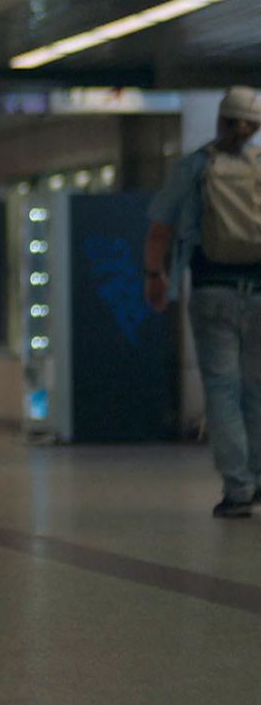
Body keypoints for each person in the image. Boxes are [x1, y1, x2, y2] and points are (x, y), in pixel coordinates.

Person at [145, 86, 261, 518]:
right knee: (257, 389)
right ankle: (258, 476)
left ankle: (237, 489)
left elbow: (160, 228)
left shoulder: (195, 167)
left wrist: (154, 276)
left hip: (213, 292)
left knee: (223, 391)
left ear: (220, 119)